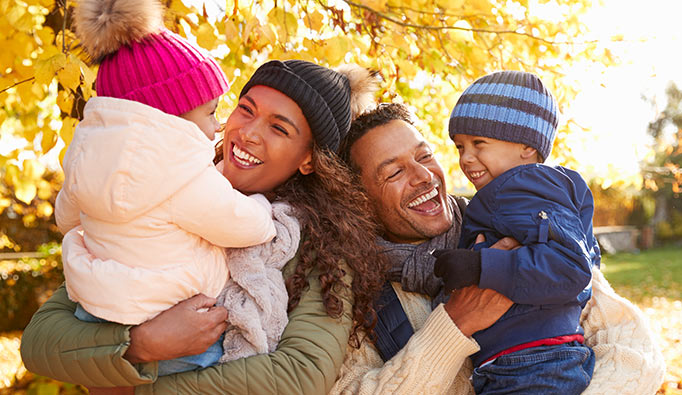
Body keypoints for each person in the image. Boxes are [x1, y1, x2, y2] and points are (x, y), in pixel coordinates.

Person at [21, 57, 387, 393]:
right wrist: (142, 343)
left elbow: (300, 375)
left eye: (279, 128)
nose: (248, 133)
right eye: (246, 110)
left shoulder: (320, 246)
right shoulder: (162, 193)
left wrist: (135, 386)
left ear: (309, 159)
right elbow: (41, 341)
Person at [333, 102, 665, 394]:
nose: (423, 175)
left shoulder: (510, 222)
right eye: (394, 172)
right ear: (359, 199)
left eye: (425, 156)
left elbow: (635, 350)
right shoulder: (353, 289)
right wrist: (454, 325)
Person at [55, 0, 277, 375]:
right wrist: (259, 203)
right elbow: (250, 227)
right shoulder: (182, 176)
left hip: (96, 314)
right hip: (180, 330)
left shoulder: (82, 162)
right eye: (209, 112)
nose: (217, 125)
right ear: (170, 115)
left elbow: (66, 219)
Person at [434, 70, 595, 394]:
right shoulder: (514, 191)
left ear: (526, 146)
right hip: (517, 360)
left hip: (536, 361)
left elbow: (570, 267)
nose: (466, 158)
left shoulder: (525, 185)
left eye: (479, 143)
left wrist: (480, 267)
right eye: (459, 146)